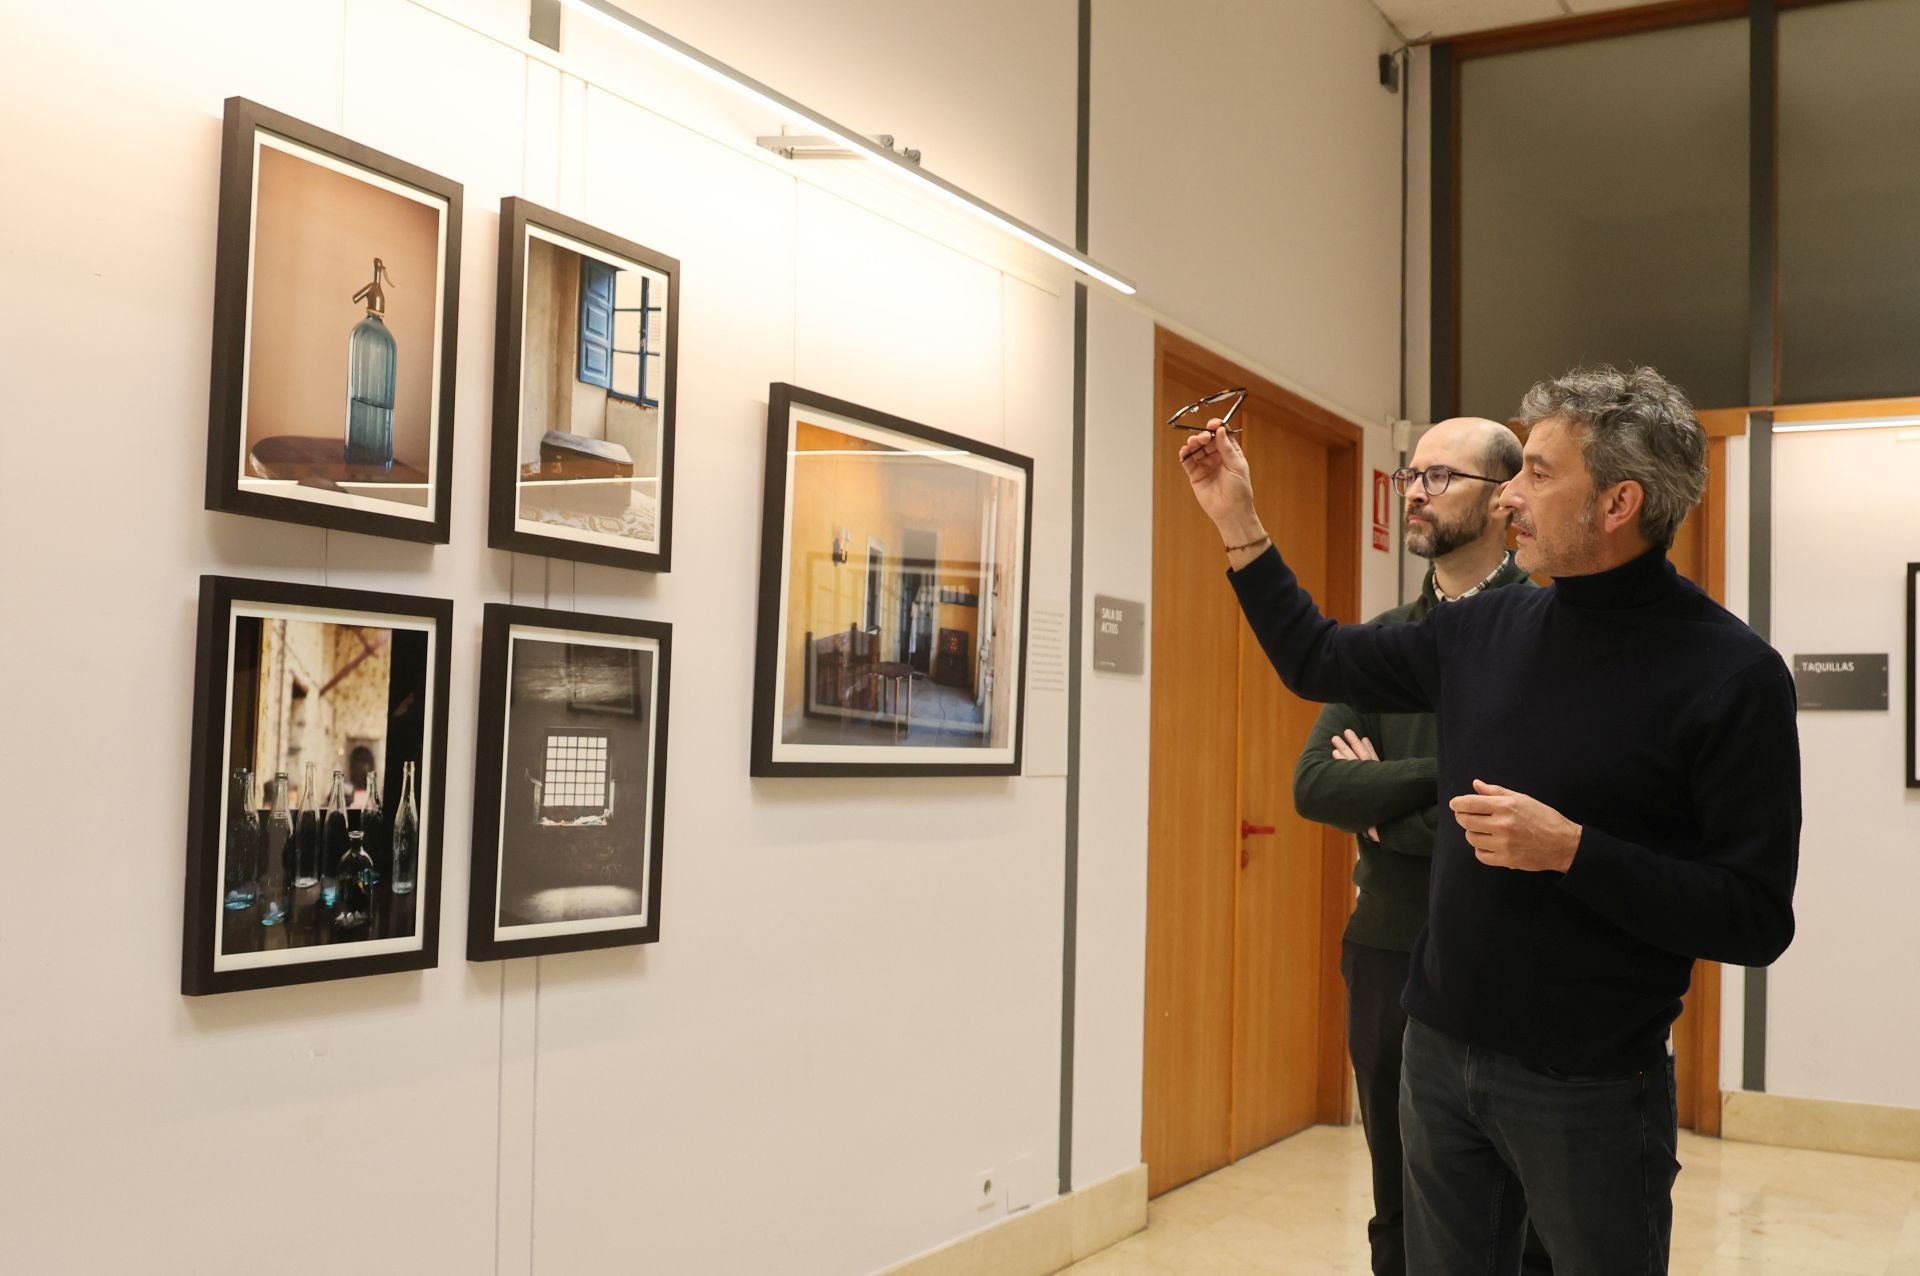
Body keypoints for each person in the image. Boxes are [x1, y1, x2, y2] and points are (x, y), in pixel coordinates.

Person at [1181, 365, 1799, 1276]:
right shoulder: (1485, 628)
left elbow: (1753, 916)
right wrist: (1237, 518)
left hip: (1589, 1083)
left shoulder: (1731, 675)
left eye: (1539, 474)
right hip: (1439, 1052)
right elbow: (1316, 658)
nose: (1510, 495)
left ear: (1619, 502)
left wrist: (1573, 852)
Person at [1290, 417, 1546, 1276]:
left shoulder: (1548, 629)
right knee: (1398, 1201)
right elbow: (1315, 785)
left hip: (1513, 953)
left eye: (1440, 477)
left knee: (1528, 1218)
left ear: (1505, 499)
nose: (1413, 491)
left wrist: (1387, 804)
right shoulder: (1390, 636)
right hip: (1388, 949)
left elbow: (1536, 806)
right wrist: (1447, 786)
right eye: (1411, 474)